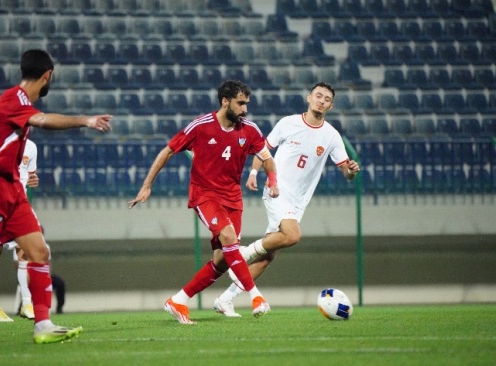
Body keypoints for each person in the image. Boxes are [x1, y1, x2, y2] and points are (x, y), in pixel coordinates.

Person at [0, 49, 112, 347]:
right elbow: (41, 120)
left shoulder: (14, 103)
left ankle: (42, 324)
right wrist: (86, 120)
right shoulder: (14, 99)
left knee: (39, 251)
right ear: (47, 76)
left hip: (12, 188)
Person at [129, 80, 279, 324]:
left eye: (247, 104)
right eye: (240, 103)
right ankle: (256, 296)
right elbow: (167, 150)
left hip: (233, 199)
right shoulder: (201, 126)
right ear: (225, 101)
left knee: (222, 259)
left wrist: (272, 179)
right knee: (229, 238)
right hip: (205, 195)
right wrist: (147, 185)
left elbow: (267, 158)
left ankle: (178, 300)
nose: (245, 109)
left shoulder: (249, 130)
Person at [213, 82, 361, 317]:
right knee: (292, 235)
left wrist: (352, 170)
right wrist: (253, 173)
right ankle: (243, 254)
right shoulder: (288, 123)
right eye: (318, 96)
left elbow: (346, 172)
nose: (321, 101)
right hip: (276, 190)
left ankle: (225, 299)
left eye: (326, 99)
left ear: (330, 106)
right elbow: (264, 149)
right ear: (309, 98)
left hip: (298, 202)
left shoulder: (331, 135)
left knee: (268, 256)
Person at [0, 138, 38, 322]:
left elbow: (28, 177)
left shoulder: (31, 146)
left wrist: (32, 180)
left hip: (19, 205)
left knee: (27, 251)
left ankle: (27, 304)